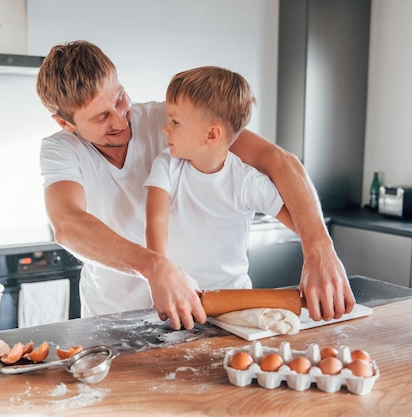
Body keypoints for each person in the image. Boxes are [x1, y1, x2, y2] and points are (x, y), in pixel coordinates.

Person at [36, 40, 355, 330]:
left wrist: (320, 250)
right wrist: (154, 267)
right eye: (101, 117)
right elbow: (67, 223)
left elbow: (279, 161)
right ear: (66, 124)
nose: (120, 120)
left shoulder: (171, 120)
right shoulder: (60, 150)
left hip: (194, 316)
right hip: (112, 321)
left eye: (120, 98)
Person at [144, 66, 294, 291]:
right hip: (182, 294)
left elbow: (299, 221)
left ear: (211, 134)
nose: (165, 129)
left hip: (234, 297)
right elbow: (155, 222)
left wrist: (317, 257)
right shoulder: (166, 165)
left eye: (175, 122)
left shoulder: (246, 181)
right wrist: (162, 278)